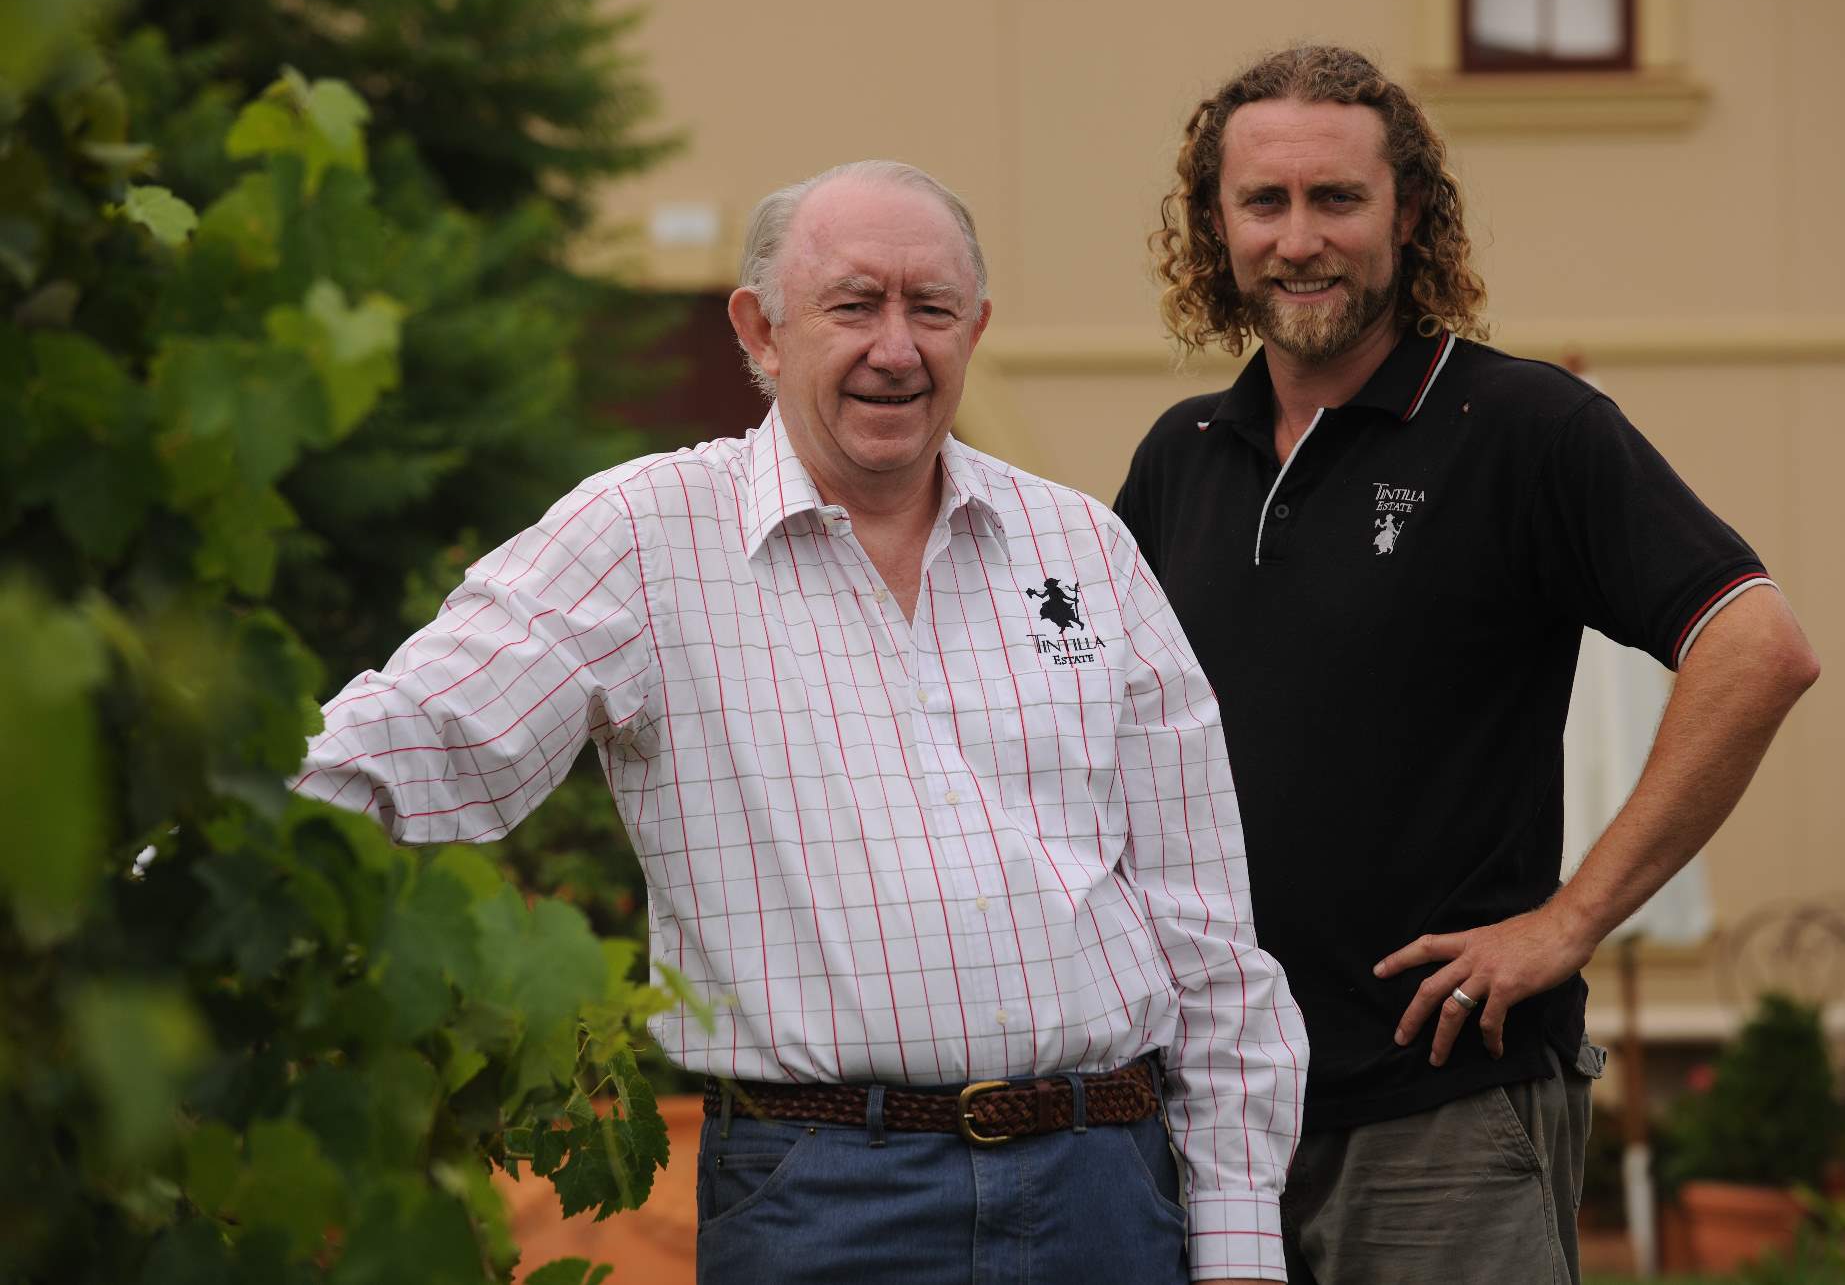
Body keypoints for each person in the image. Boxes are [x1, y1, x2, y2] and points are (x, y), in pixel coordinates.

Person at [295, 159, 1305, 1284]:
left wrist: (1237, 1239)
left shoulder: (1081, 548)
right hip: (826, 1196)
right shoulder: (646, 536)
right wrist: (194, 858)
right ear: (761, 330)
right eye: (853, 304)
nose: (896, 347)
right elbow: (423, 730)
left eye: (930, 309)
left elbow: (1206, 928)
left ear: (975, 328)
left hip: (1104, 1191)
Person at [1114, 46, 1820, 1284]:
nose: (1299, 238)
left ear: (1409, 214)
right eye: (1263, 203)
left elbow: (1756, 648)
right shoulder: (1183, 454)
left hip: (1441, 1108)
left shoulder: (1522, 427)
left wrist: (1570, 919)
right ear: (1213, 225)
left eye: (1337, 199)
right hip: (1214, 1114)